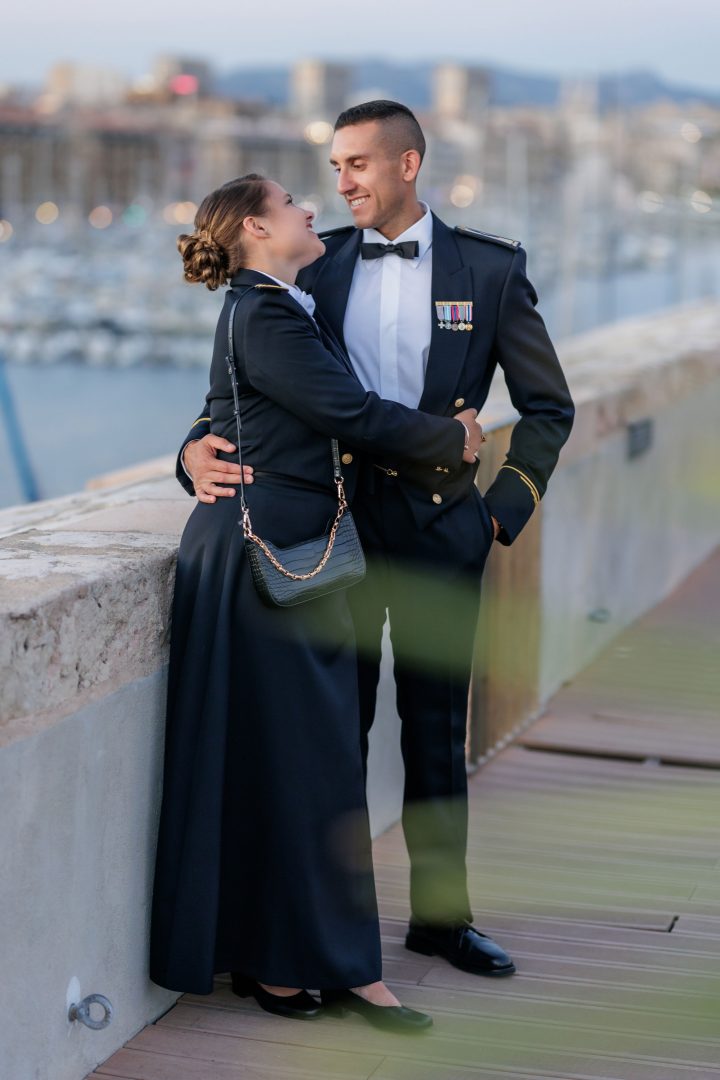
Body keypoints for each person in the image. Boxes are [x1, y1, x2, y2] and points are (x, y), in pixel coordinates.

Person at [178, 102, 576, 979]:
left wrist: (500, 512)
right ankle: (329, 934)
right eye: (333, 168)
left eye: (357, 163)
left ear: (408, 164)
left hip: (444, 529)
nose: (342, 183)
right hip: (333, 532)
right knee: (335, 737)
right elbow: (242, 392)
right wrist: (189, 451)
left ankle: (441, 919)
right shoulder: (314, 267)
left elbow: (549, 407)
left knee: (437, 730)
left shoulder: (491, 268)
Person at [149, 172, 486, 1032]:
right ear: (259, 229)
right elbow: (346, 410)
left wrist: (194, 444)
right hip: (270, 561)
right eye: (296, 199)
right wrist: (454, 440)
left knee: (306, 765)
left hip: (301, 557)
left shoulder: (286, 301)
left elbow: (235, 407)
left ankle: (306, 965)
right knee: (304, 764)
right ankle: (318, 968)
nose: (316, 206)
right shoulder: (263, 311)